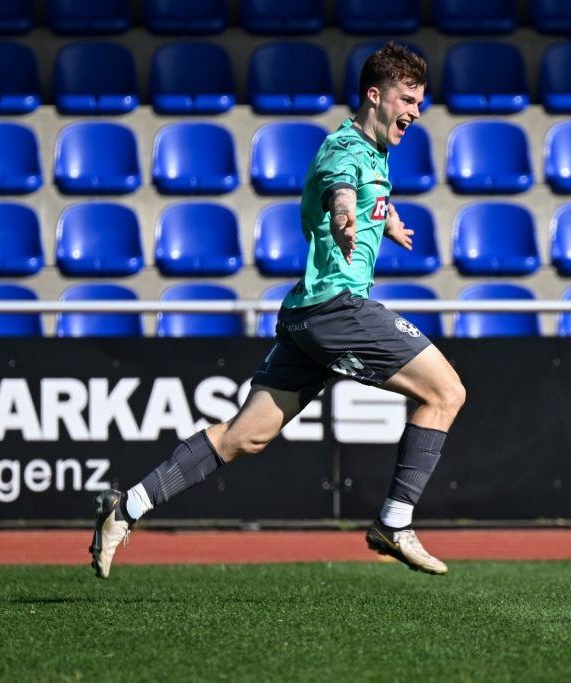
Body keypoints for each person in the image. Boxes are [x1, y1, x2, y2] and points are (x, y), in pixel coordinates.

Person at [90, 42, 466, 578]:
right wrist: (344, 216)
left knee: (244, 436)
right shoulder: (345, 148)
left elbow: (361, 190)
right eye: (407, 99)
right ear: (374, 95)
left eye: (420, 102)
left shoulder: (375, 152)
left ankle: (126, 506)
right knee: (446, 392)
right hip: (338, 309)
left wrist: (387, 221)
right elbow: (340, 188)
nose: (416, 112)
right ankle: (395, 521)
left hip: (306, 316)